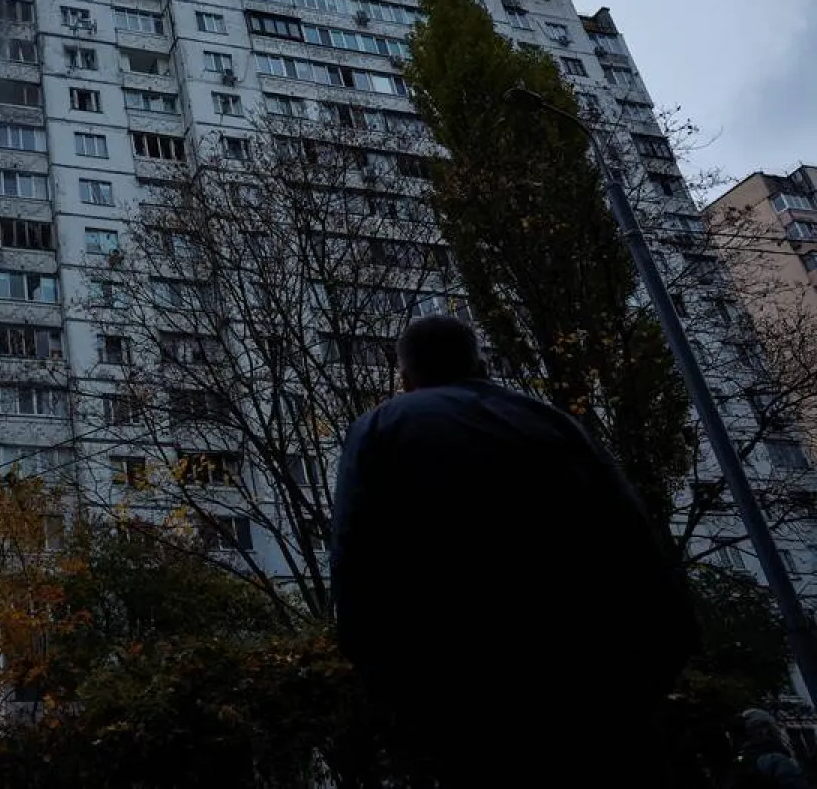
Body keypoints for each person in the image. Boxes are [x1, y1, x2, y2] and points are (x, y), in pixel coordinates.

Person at [331, 315, 698, 788]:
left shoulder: (380, 427)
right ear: (481, 364)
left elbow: (356, 560)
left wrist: (387, 682)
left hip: (467, 686)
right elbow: (633, 536)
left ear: (405, 378)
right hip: (595, 676)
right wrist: (659, 658)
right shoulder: (552, 422)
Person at [723, 709, 806, 789]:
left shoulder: (738, 760)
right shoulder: (775, 760)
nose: (777, 732)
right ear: (763, 731)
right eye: (772, 727)